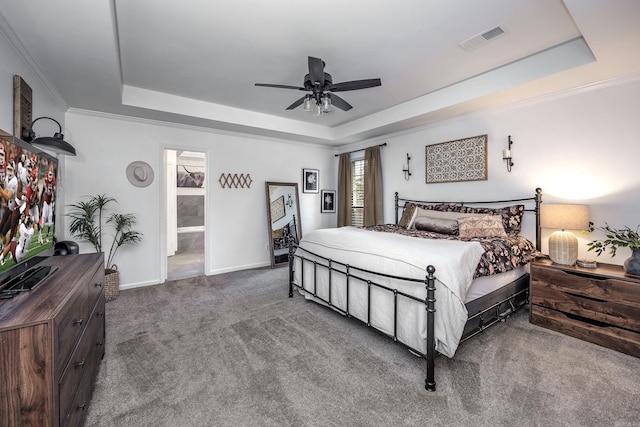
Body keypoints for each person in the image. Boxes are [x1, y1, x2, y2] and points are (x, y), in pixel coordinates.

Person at [0, 161, 19, 250]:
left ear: (14, 170)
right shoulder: (7, 178)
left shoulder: (14, 181)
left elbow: (8, 196)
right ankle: (4, 246)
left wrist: (0, 189)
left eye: (11, 169)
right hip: (9, 207)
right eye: (8, 169)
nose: (9, 171)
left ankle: (4, 248)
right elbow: (5, 193)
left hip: (14, 210)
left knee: (4, 232)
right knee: (0, 229)